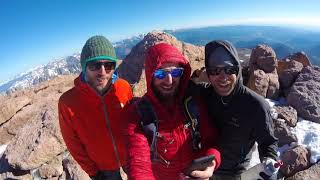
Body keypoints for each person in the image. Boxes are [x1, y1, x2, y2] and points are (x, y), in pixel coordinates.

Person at [124, 43, 221, 180]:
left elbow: (212, 140)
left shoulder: (192, 102)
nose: (169, 81)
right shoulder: (138, 114)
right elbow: (138, 164)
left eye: (176, 72)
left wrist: (212, 162)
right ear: (150, 74)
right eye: (160, 73)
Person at [188, 40, 279, 180]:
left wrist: (269, 158)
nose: (222, 77)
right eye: (215, 70)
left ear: (238, 70)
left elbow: (268, 142)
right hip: (205, 166)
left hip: (235, 171)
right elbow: (177, 86)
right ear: (208, 73)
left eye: (229, 69)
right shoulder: (205, 94)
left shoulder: (255, 105)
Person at [58, 35, 133, 179]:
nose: (103, 72)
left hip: (130, 154)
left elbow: (133, 121)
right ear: (84, 67)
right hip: (103, 167)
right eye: (95, 65)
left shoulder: (123, 87)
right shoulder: (68, 102)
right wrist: (93, 172)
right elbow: (73, 144)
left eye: (109, 65)